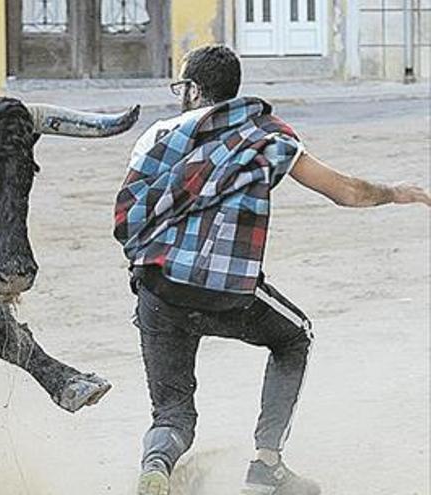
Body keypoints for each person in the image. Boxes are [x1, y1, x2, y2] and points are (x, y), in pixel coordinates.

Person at [113, 44, 431, 495]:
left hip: (157, 288)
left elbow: (129, 216)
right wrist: (397, 192)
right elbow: (345, 191)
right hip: (226, 292)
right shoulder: (270, 137)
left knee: (172, 413)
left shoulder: (158, 136)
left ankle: (157, 464)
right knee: (294, 335)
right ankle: (266, 465)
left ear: (195, 90)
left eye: (181, 86)